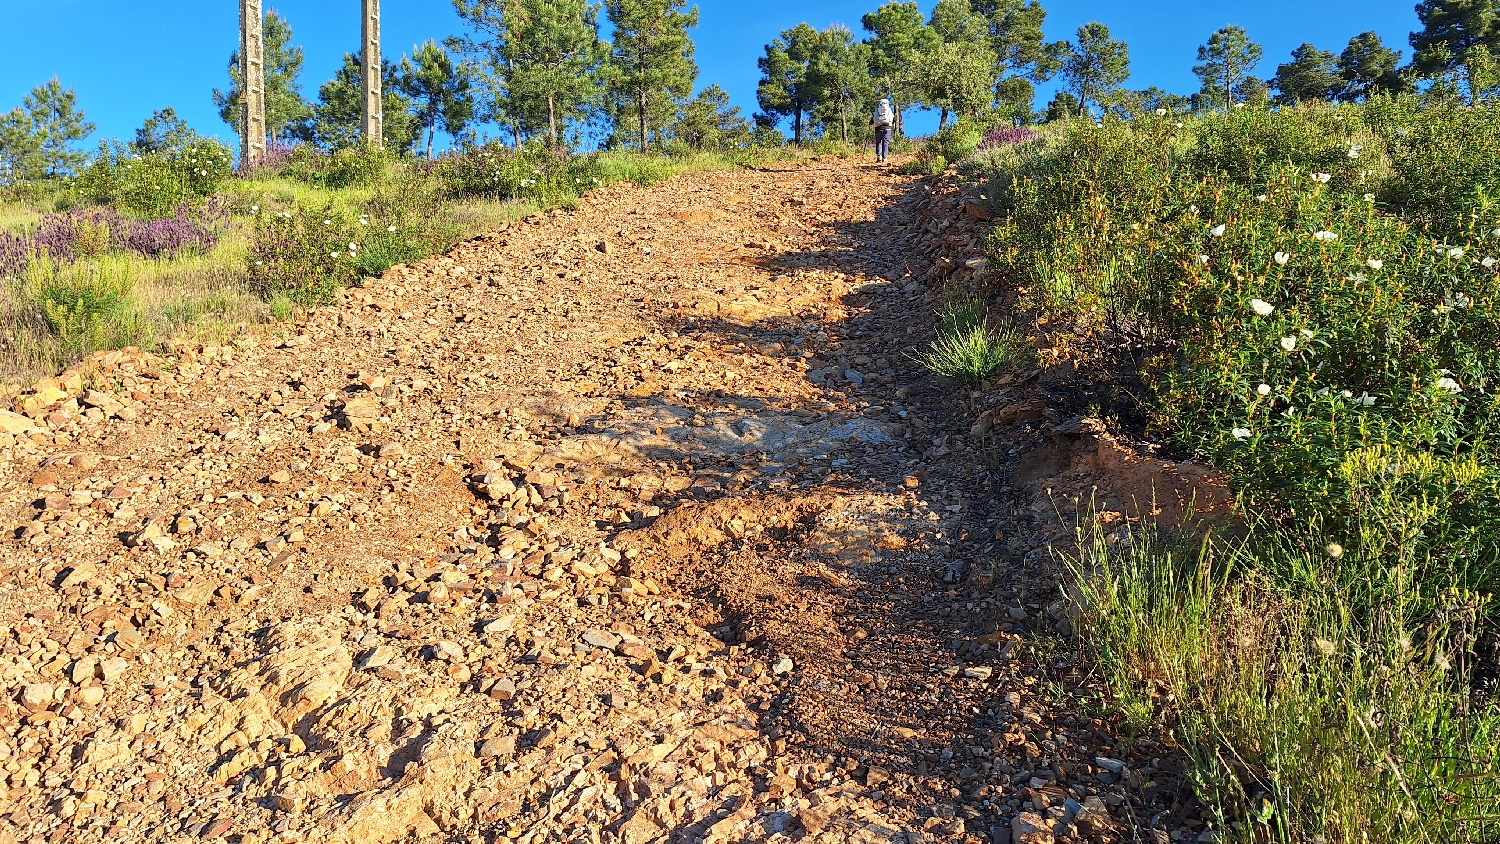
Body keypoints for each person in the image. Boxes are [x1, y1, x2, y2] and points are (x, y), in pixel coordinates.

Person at [873, 98, 894, 163]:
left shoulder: (877, 110)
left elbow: (872, 120)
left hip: (878, 128)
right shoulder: (889, 110)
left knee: (878, 142)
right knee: (885, 142)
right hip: (887, 128)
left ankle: (879, 156)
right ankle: (884, 158)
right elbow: (893, 119)